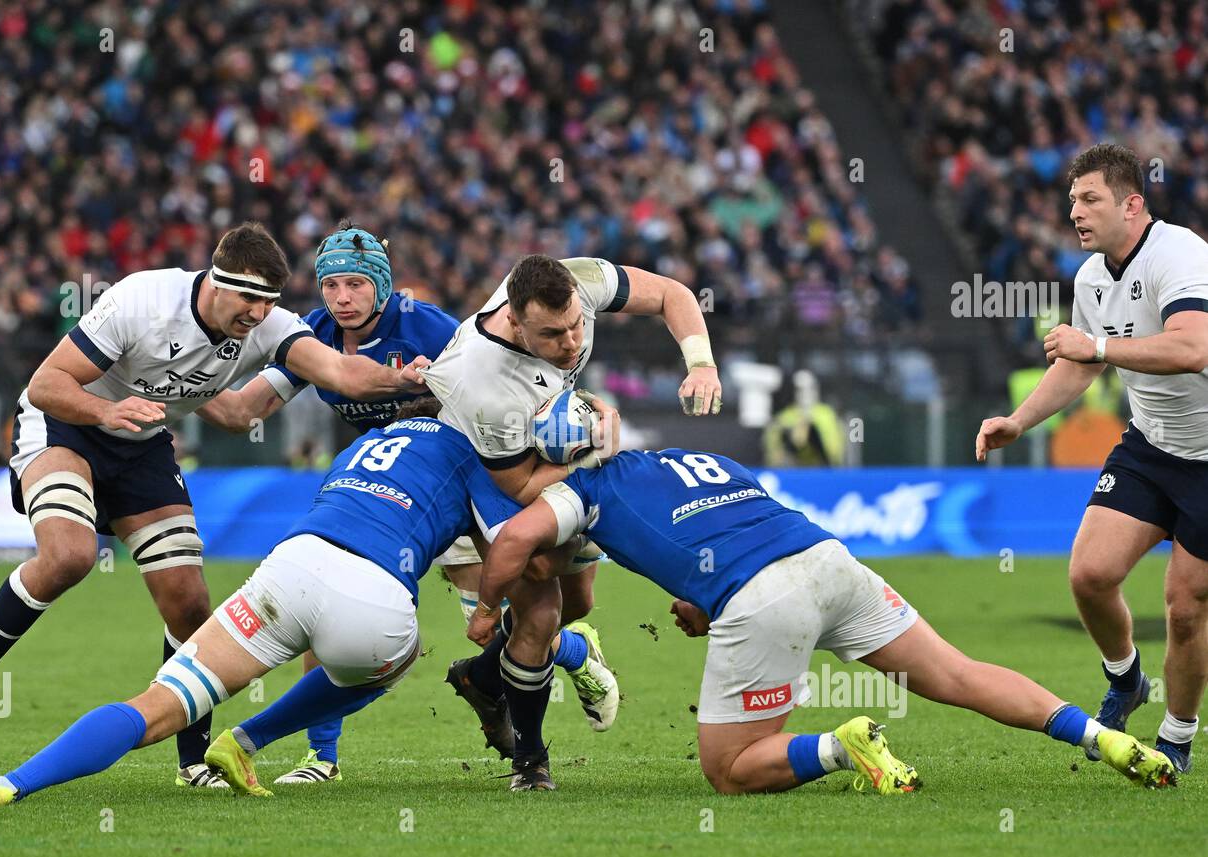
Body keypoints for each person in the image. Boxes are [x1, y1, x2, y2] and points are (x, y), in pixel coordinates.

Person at [0, 222, 428, 788]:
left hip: (143, 444)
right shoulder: (143, 300)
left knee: (188, 602)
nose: (259, 314)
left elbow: (317, 380)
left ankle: (191, 764)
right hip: (67, 423)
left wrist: (402, 380)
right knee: (69, 557)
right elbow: (45, 384)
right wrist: (107, 412)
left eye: (269, 302)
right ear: (215, 281)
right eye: (249, 299)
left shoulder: (272, 326)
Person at [0, 400, 560, 808]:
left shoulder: (363, 445)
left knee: (158, 708)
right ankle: (249, 738)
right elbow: (514, 553)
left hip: (286, 570)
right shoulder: (481, 458)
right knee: (395, 658)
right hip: (375, 601)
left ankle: (5, 785)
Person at [468, 444, 1178, 793]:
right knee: (958, 673)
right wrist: (702, 600)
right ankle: (1100, 737)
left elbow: (514, 541)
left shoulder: (578, 488)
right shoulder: (697, 457)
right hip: (828, 559)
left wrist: (487, 612)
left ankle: (843, 748)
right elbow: (725, 529)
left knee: (729, 770)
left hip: (765, 595)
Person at [423, 253, 723, 789]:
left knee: (579, 602)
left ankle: (483, 677)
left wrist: (700, 363)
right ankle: (531, 763)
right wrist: (593, 451)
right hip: (475, 460)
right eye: (552, 334)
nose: (571, 342)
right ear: (515, 321)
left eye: (576, 325)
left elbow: (673, 294)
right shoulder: (485, 382)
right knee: (540, 596)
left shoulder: (574, 280)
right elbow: (517, 486)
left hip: (544, 445)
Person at [199, 221, 463, 785]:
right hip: (378, 490)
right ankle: (322, 758)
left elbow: (495, 386)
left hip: (455, 487)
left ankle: (561, 669)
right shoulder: (311, 335)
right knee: (323, 609)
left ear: (382, 286)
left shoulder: (428, 327)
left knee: (489, 622)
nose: (341, 299)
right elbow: (246, 409)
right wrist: (172, 382)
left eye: (355, 286)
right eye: (330, 286)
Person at [976, 143, 1208, 774]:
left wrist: (1097, 344)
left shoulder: (1181, 255)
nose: (1074, 211)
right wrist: (1017, 421)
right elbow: (1080, 364)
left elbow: (1193, 349)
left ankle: (1178, 736)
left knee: (1185, 609)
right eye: (1072, 200)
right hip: (1151, 444)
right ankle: (1126, 678)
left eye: (1089, 199)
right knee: (1089, 575)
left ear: (1132, 204)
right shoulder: (1091, 277)